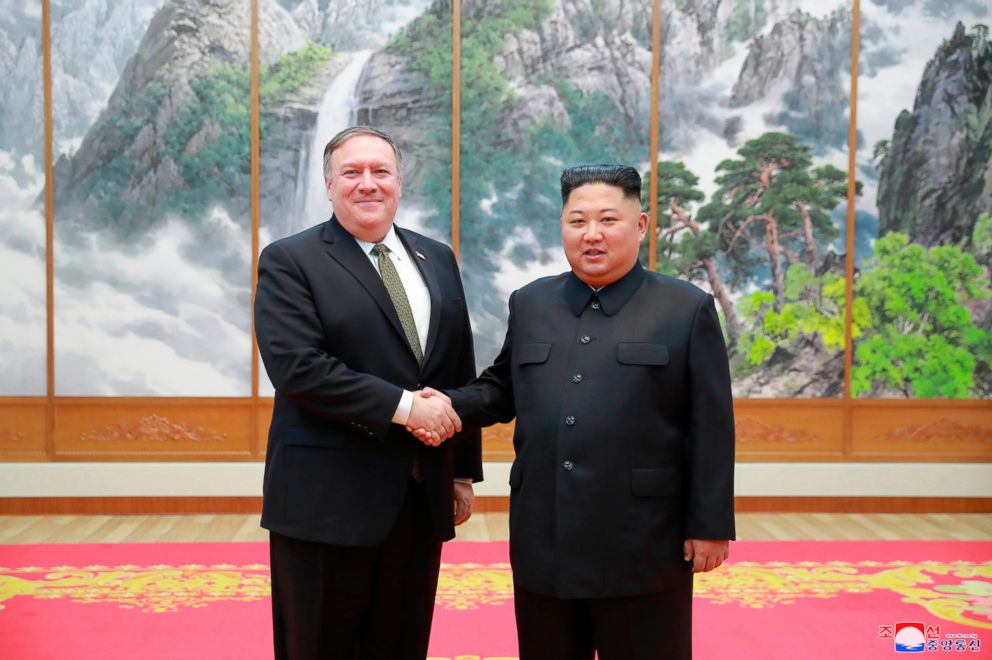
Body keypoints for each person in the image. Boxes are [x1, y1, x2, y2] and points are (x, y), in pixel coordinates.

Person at [420, 164, 735, 659]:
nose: (592, 235)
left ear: (641, 225)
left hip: (644, 540)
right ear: (562, 225)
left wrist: (711, 524)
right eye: (577, 221)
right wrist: (438, 406)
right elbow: (502, 388)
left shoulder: (685, 309)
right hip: (545, 535)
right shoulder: (532, 302)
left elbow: (712, 426)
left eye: (608, 220)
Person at [254, 125, 482, 660]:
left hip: (418, 492)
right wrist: (407, 410)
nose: (367, 184)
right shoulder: (291, 260)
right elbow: (298, 369)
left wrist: (462, 471)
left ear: (399, 182)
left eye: (380, 171)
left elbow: (457, 365)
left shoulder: (437, 257)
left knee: (401, 642)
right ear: (329, 186)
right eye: (352, 173)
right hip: (323, 500)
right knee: (319, 644)